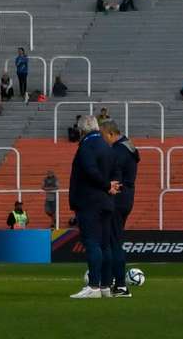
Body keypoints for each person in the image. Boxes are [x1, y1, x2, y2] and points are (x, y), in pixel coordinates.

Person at [69, 114, 121, 299]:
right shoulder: (107, 147)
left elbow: (90, 170)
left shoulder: (86, 146)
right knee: (105, 244)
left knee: (91, 242)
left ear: (83, 130)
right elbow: (116, 170)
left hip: (89, 202)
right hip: (107, 202)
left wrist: (106, 185)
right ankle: (106, 285)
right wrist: (113, 185)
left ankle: (93, 286)